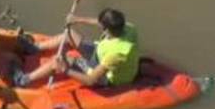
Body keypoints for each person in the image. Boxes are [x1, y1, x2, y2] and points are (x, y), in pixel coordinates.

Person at [11, 8, 139, 88]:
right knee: (70, 34)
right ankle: (35, 48)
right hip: (100, 52)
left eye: (102, 26)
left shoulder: (116, 54)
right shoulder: (127, 27)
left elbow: (90, 80)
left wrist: (65, 69)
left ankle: (23, 80)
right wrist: (77, 19)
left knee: (61, 59)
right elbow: (101, 22)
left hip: (105, 77)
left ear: (106, 30)